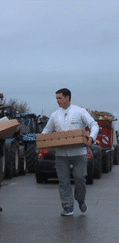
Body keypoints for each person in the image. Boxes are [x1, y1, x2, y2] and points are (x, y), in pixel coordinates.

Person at [42, 88, 99, 216]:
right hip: (61, 154)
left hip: (79, 152)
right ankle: (67, 207)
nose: (57, 101)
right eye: (56, 98)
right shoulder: (54, 115)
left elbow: (94, 124)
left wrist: (92, 137)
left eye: (60, 98)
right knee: (63, 181)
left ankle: (80, 200)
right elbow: (46, 131)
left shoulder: (80, 112)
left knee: (80, 178)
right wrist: (43, 139)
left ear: (67, 98)